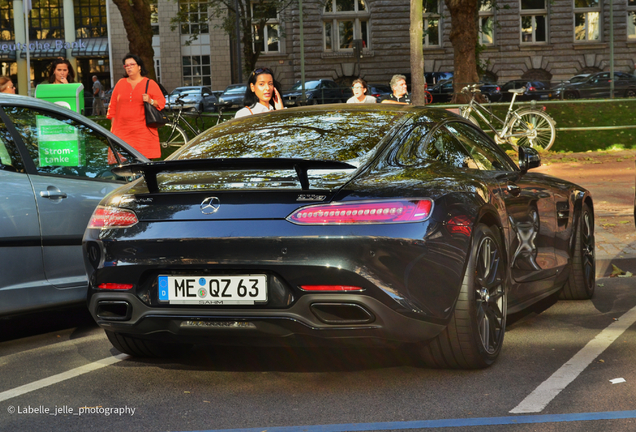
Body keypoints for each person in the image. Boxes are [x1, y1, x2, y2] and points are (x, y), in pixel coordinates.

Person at [107, 53, 166, 159]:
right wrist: (113, 131)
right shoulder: (120, 83)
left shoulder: (150, 83)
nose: (128, 67)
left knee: (143, 167)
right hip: (121, 133)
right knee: (123, 169)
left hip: (143, 134)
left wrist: (150, 100)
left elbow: (161, 102)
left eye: (132, 64)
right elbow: (112, 108)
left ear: (139, 67)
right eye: (126, 66)